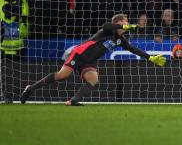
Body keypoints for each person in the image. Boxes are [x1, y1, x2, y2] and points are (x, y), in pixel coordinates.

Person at [20, 14, 166, 106]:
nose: (126, 24)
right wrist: (127, 25)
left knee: (93, 79)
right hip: (79, 54)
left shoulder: (121, 40)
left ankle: (73, 101)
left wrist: (150, 57)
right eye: (124, 22)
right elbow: (106, 25)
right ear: (119, 23)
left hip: (89, 62)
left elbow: (134, 49)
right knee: (62, 75)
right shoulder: (108, 30)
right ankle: (30, 89)